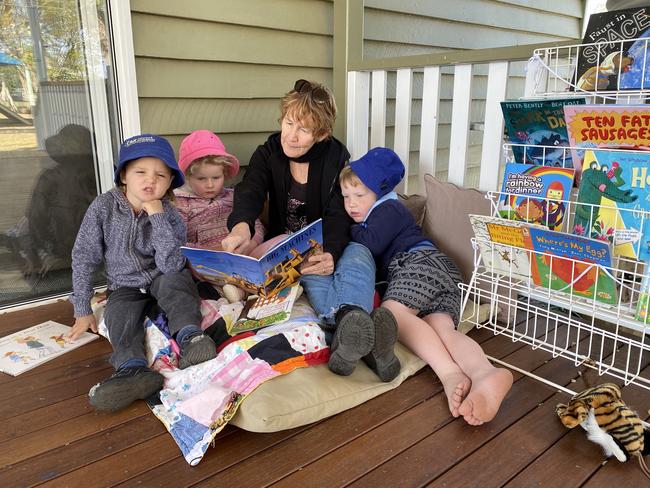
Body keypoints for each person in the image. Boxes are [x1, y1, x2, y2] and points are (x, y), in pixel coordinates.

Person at [222, 79, 400, 381]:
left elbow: (338, 212)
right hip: (291, 248)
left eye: (303, 130)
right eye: (289, 123)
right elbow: (250, 190)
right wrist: (241, 226)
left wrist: (331, 251)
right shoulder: (268, 151)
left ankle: (349, 330)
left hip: (329, 238)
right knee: (311, 272)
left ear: (321, 134)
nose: (290, 136)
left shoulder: (335, 156)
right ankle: (364, 338)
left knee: (358, 253)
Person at [340, 147, 513, 425]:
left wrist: (343, 227)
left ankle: (449, 373)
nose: (351, 204)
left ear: (380, 191)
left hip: (418, 262)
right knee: (441, 329)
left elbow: (368, 242)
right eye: (346, 197)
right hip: (442, 273)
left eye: (359, 195)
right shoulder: (382, 209)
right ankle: (484, 373)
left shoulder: (389, 208)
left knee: (394, 314)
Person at [68, 134, 217, 412]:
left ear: (171, 181)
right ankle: (132, 369)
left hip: (161, 276)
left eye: (161, 175)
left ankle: (191, 337)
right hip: (124, 285)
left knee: (178, 282)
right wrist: (81, 308)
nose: (151, 180)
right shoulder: (103, 208)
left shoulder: (170, 214)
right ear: (123, 175)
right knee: (119, 315)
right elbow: (84, 257)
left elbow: (172, 264)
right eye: (140, 172)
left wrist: (157, 216)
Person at [174, 129, 265, 253]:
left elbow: (256, 225)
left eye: (216, 178)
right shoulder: (181, 203)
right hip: (205, 261)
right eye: (201, 179)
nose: (210, 185)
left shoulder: (234, 197)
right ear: (188, 177)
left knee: (280, 241)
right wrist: (215, 251)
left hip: (244, 253)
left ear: (225, 174)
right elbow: (177, 242)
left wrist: (253, 243)